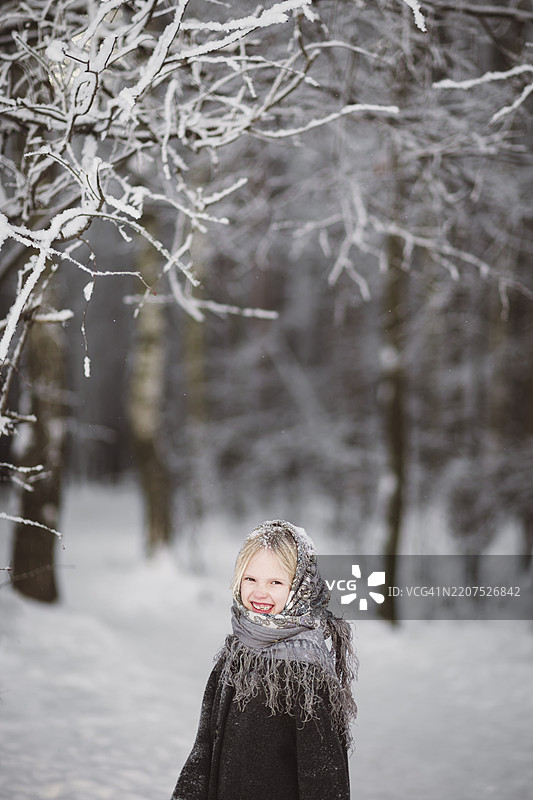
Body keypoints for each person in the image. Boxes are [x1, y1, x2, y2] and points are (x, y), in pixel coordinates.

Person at [170, 519, 358, 800]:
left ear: (299, 588)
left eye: (276, 582)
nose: (260, 592)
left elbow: (324, 777)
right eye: (251, 579)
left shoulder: (307, 674)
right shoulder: (235, 655)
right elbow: (205, 748)